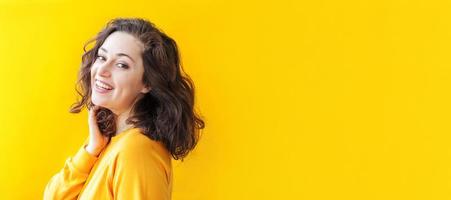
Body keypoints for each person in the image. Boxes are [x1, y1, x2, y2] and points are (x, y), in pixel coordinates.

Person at [44, 17, 205, 200]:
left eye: (121, 65)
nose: (102, 70)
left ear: (147, 83)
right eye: (102, 57)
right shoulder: (111, 143)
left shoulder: (137, 153)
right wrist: (91, 150)